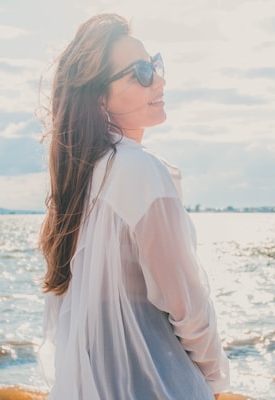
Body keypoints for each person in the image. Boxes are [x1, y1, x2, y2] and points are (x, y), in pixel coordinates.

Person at [38, 13, 230, 400]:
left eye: (154, 64)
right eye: (140, 72)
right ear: (99, 98)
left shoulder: (84, 176)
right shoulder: (138, 170)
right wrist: (215, 383)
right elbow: (187, 306)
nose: (159, 80)